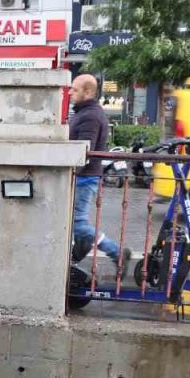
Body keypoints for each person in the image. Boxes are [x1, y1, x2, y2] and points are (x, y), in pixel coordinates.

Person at [69, 74, 130, 273]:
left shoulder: (91, 116)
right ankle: (74, 259)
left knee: (77, 225)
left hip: (84, 178)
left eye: (75, 89)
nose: (70, 93)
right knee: (75, 223)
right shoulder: (83, 113)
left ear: (87, 92)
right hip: (82, 177)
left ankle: (116, 251)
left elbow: (85, 151)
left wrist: (71, 174)